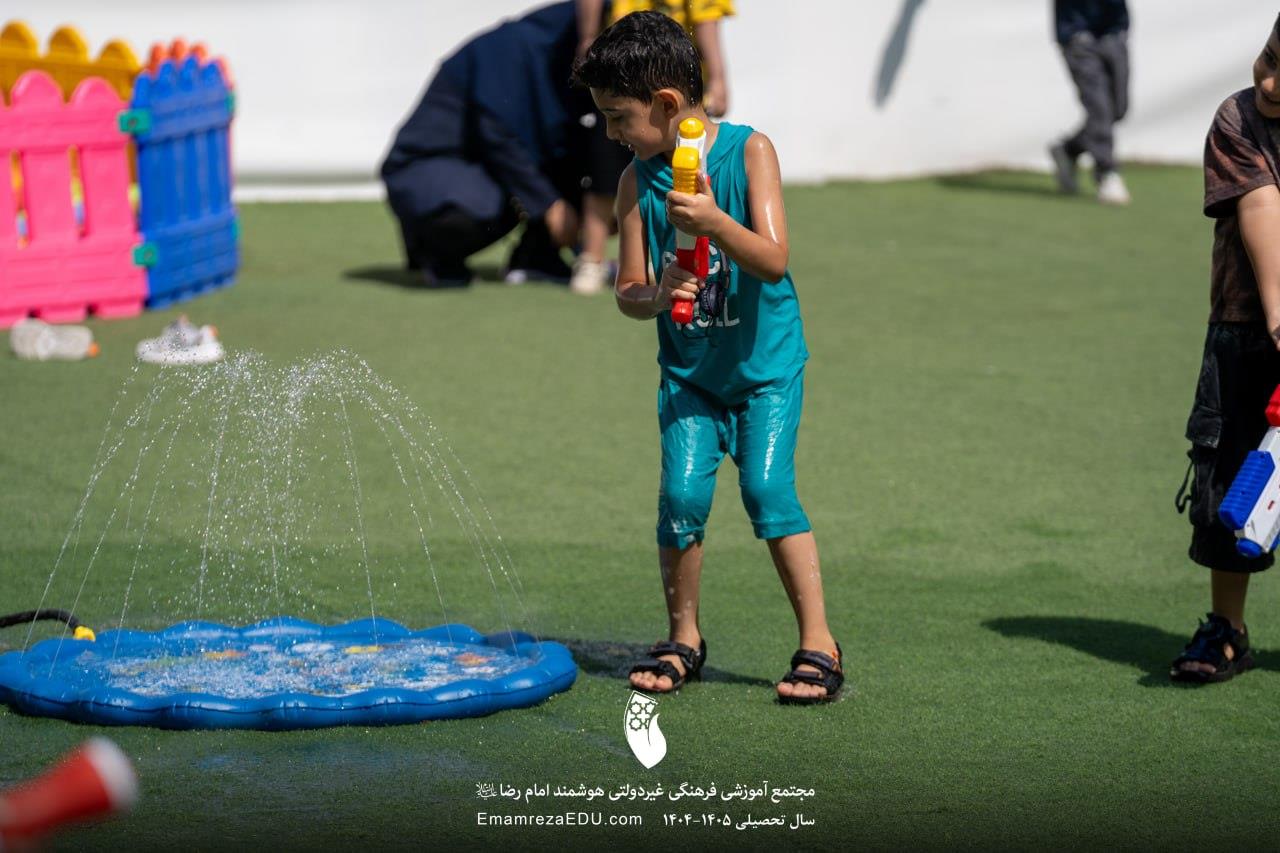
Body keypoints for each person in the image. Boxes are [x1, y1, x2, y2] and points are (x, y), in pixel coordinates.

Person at [571, 12, 842, 703]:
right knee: (683, 498)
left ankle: (819, 640)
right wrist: (658, 295)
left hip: (763, 372)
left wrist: (716, 221)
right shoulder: (635, 182)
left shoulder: (749, 152)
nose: (611, 133)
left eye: (618, 117)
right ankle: (683, 637)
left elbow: (774, 260)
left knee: (767, 491)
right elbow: (628, 292)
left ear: (666, 103)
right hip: (690, 375)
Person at [1170, 14, 1280, 684]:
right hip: (1245, 333)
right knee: (1231, 479)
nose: (1268, 81)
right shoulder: (1237, 118)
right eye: (1269, 57)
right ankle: (1227, 628)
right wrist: (1279, 313)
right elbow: (1260, 206)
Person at [379, 3, 582, 287]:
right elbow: (496, 134)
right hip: (433, 171)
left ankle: (537, 258)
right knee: (468, 211)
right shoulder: (514, 45)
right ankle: (436, 254)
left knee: (591, 153)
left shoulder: (556, 43)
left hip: (476, 168)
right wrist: (551, 205)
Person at [568, 0, 734, 296]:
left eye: (614, 122)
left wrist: (718, 78)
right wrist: (589, 39)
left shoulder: (749, 150)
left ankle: (677, 258)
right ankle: (592, 259)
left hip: (673, 83)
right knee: (604, 172)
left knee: (691, 178)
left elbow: (707, 15)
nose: (610, 132)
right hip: (618, 77)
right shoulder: (630, 175)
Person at [1048, 0, 1131, 205]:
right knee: (1099, 109)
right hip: (1078, 35)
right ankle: (1107, 173)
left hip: (1113, 33)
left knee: (1117, 110)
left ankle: (1069, 149)